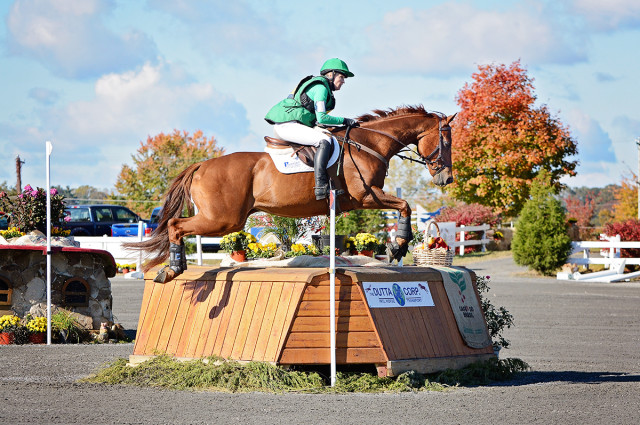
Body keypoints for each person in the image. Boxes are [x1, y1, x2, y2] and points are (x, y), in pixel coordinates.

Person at [265, 58, 359, 200]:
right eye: (341, 77)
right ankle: (321, 186)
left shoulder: (323, 89)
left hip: (293, 125)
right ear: (331, 74)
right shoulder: (321, 89)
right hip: (287, 125)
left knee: (327, 136)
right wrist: (344, 120)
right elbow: (321, 118)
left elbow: (318, 121)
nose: (343, 81)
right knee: (323, 141)